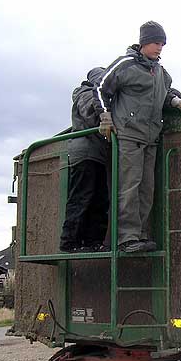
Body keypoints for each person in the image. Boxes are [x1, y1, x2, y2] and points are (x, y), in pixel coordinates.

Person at [92, 21, 181, 253]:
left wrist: (177, 102)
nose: (160, 48)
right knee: (129, 186)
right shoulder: (125, 64)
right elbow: (100, 88)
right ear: (144, 42)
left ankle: (139, 235)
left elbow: (165, 92)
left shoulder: (159, 71)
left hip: (151, 136)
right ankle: (126, 238)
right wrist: (105, 116)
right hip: (128, 134)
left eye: (162, 44)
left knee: (146, 189)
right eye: (156, 43)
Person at [59, 67, 109, 253]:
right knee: (82, 197)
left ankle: (92, 241)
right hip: (85, 152)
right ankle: (70, 242)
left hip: (98, 153)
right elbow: (91, 114)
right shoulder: (87, 94)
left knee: (99, 199)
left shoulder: (97, 95)